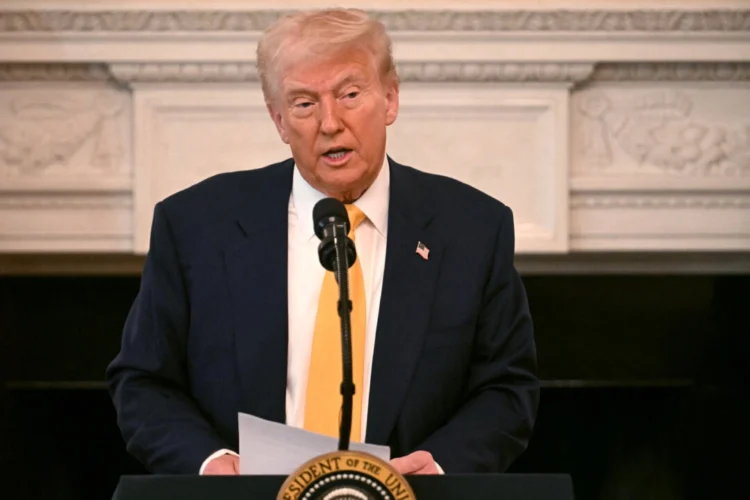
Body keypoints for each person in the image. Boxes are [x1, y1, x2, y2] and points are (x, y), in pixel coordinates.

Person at [106, 8, 539, 477]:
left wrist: (437, 466)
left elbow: (506, 389)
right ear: (279, 120)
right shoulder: (195, 225)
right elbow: (144, 382)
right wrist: (211, 465)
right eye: (304, 103)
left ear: (390, 98)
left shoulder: (471, 229)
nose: (330, 122)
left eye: (350, 94)